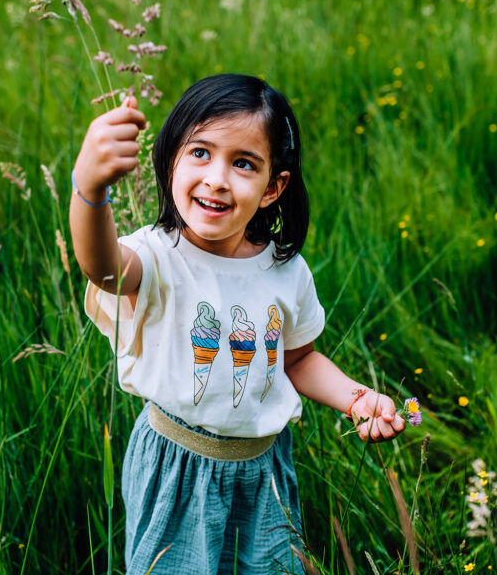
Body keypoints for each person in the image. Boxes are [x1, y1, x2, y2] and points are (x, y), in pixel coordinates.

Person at [70, 74, 406, 575]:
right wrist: (90, 189)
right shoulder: (157, 256)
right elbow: (104, 269)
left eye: (243, 163)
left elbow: (300, 358)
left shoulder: (284, 270)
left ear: (273, 188)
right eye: (200, 153)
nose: (217, 178)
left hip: (264, 470)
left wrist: (357, 398)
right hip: (176, 468)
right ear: (171, 161)